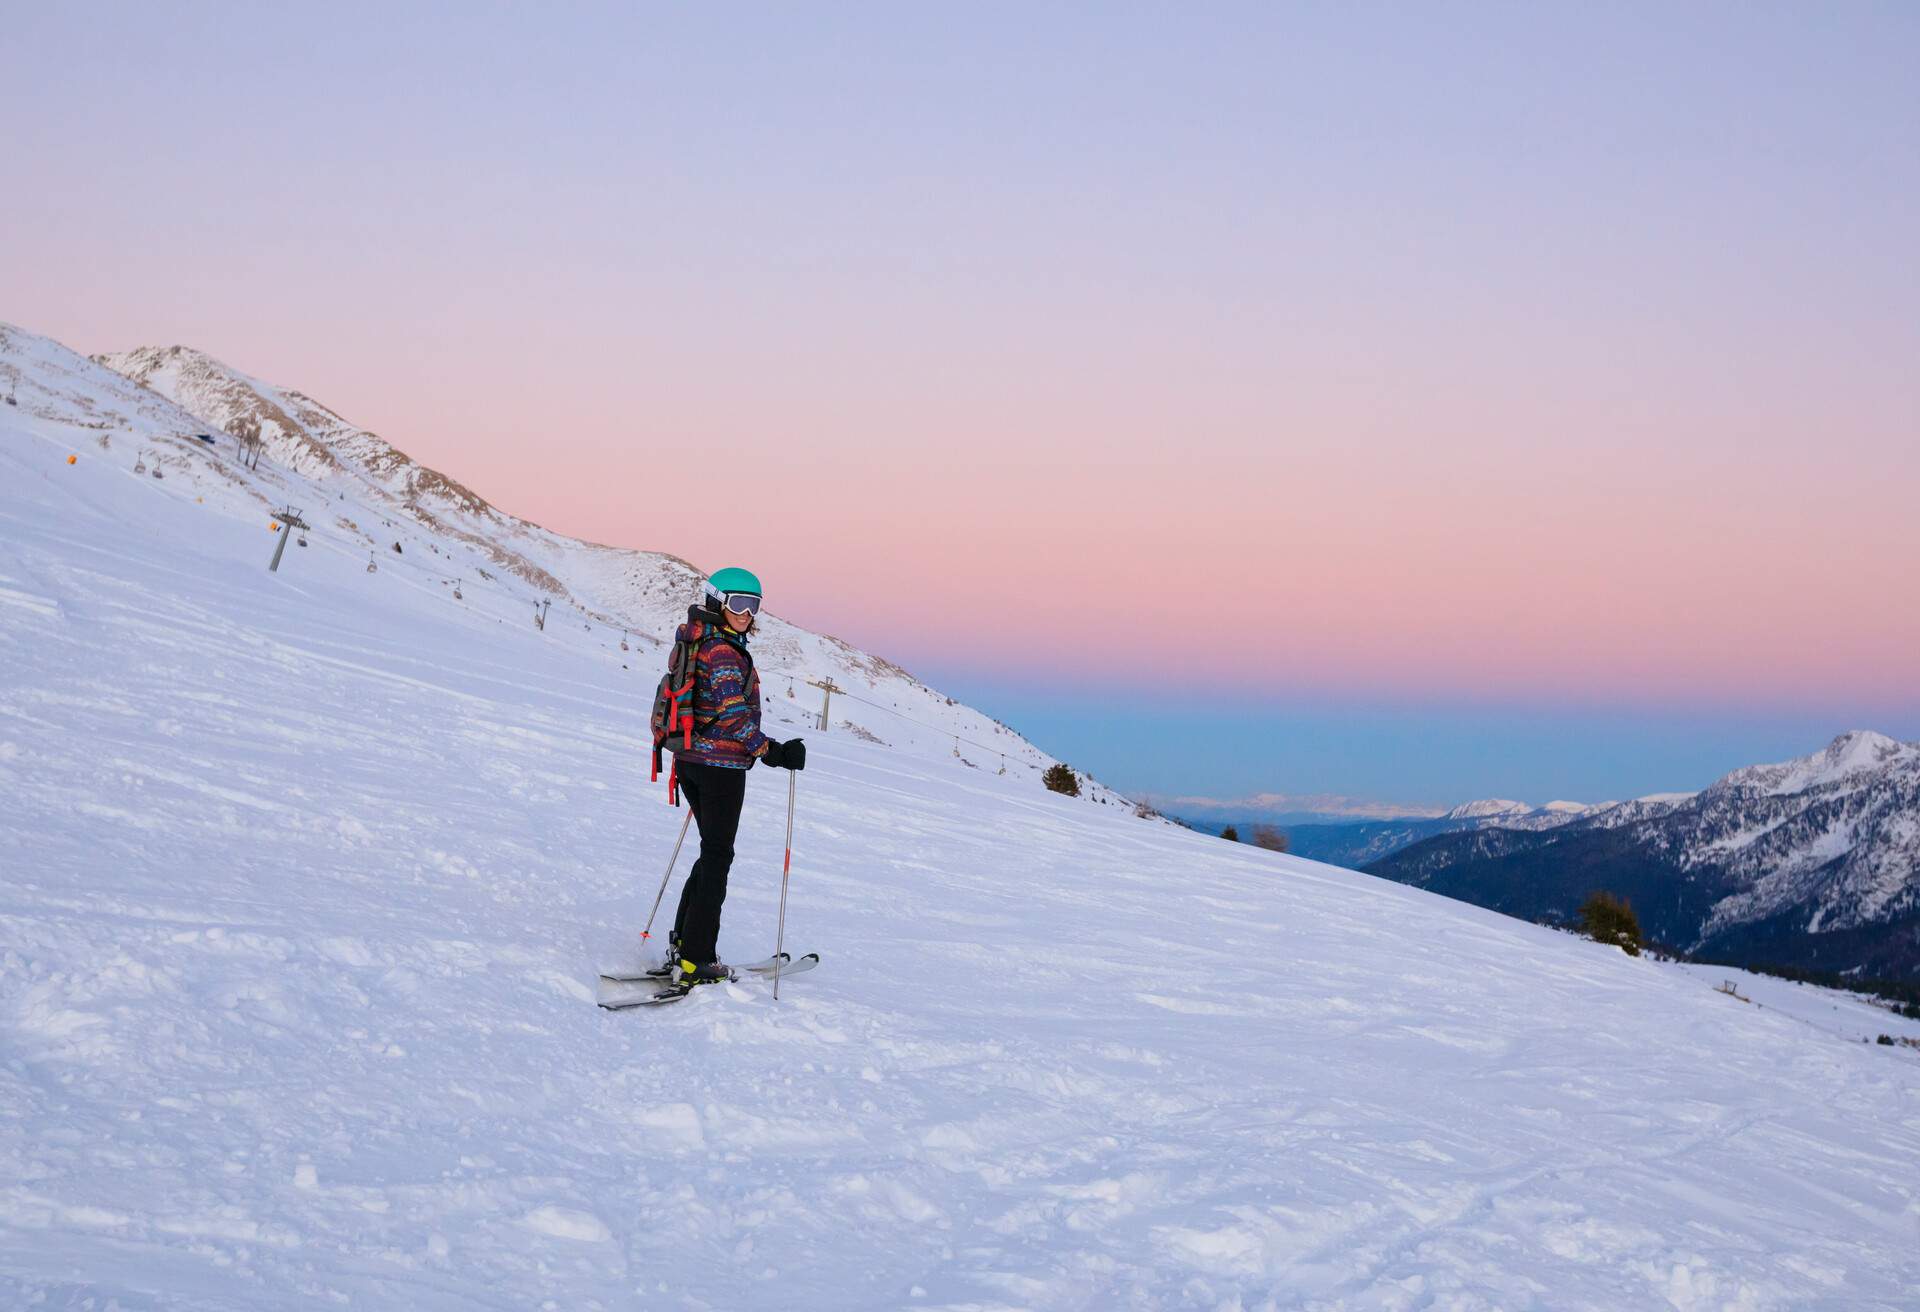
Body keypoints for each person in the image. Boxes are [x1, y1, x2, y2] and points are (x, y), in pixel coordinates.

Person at [665, 567, 806, 985]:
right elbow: (732, 714)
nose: (745, 613)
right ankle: (697, 957)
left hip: (690, 759)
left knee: (712, 853)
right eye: (737, 603)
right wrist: (772, 751)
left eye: (753, 605)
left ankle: (684, 941)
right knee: (718, 858)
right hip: (719, 769)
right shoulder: (723, 651)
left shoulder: (697, 641)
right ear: (716, 601)